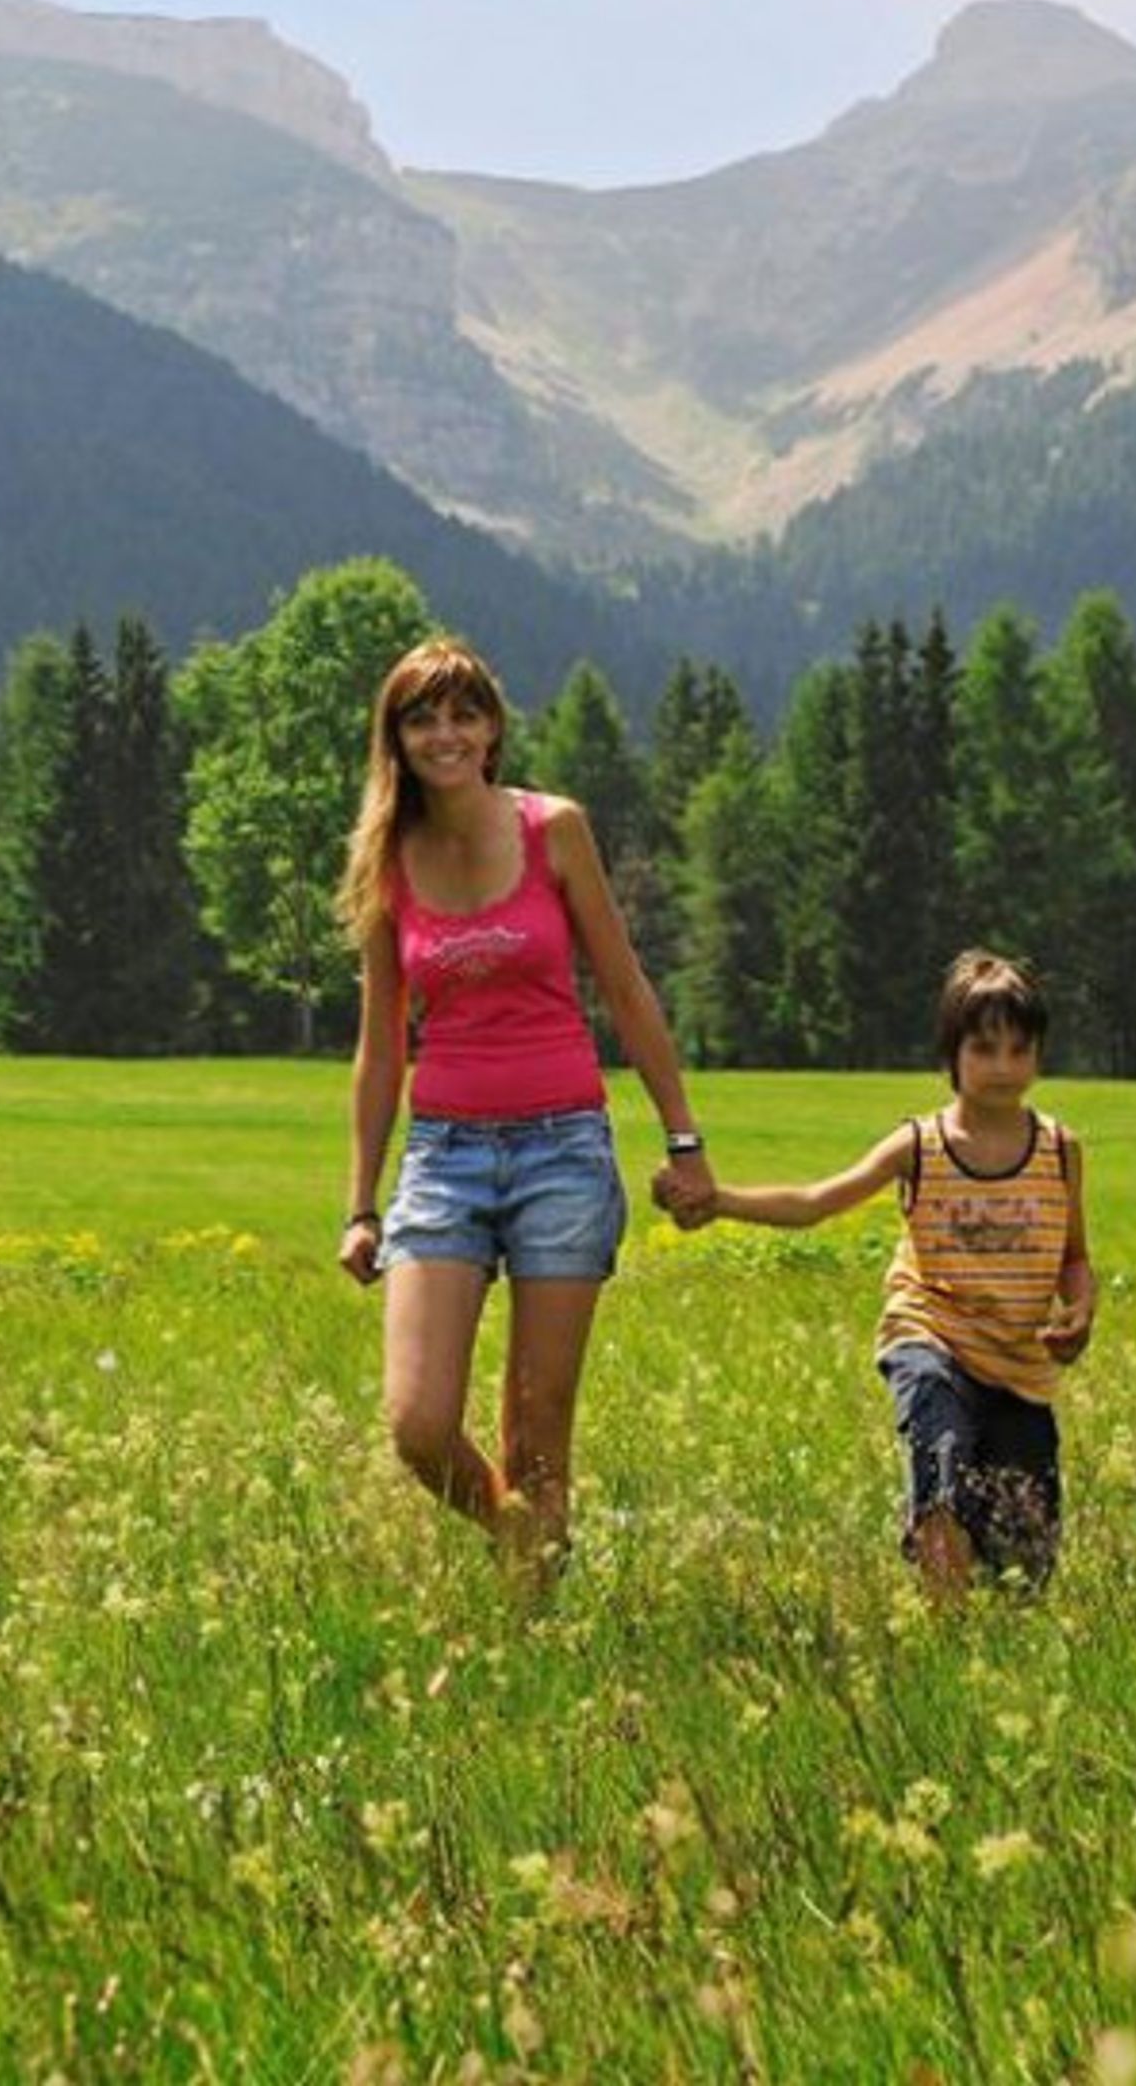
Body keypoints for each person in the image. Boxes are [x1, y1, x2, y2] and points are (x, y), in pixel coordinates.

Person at [335, 637, 714, 1581]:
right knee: (418, 1424)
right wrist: (360, 1203)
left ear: (494, 728)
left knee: (538, 1433)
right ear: (398, 738)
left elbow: (627, 991)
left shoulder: (555, 830)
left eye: (463, 714)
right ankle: (520, 1536)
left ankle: (529, 1637)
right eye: (423, 718)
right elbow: (381, 1047)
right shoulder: (387, 861)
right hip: (445, 1158)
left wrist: (684, 1140)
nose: (444, 734)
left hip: (563, 1154)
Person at [657, 951, 1093, 1596]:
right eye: (985, 1049)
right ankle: (943, 1630)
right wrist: (719, 1201)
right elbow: (815, 1203)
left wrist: (1080, 1311)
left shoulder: (1059, 1149)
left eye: (1019, 1050)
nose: (1004, 1067)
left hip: (1019, 1366)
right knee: (940, 1465)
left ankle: (997, 1636)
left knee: (1022, 1554)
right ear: (951, 1055)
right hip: (930, 1336)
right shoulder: (920, 1145)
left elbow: (1075, 1259)